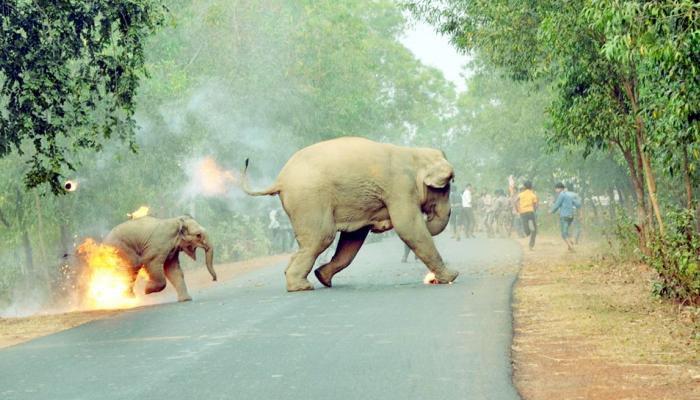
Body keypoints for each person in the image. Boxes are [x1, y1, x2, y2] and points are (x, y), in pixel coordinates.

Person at [550, 182, 582, 251]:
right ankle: (571, 243)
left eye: (556, 189)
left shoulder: (562, 194)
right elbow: (578, 204)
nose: (555, 190)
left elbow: (557, 205)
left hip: (564, 216)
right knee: (568, 231)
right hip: (571, 216)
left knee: (563, 234)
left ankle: (571, 246)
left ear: (559, 188)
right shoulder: (572, 195)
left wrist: (551, 211)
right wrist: (580, 214)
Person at [516, 180, 538, 250]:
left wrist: (518, 209)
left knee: (526, 228)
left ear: (524, 187)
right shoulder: (533, 195)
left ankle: (527, 233)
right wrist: (534, 210)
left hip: (523, 212)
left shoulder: (521, 194)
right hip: (531, 212)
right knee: (534, 230)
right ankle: (531, 245)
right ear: (531, 186)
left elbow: (515, 201)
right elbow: (535, 205)